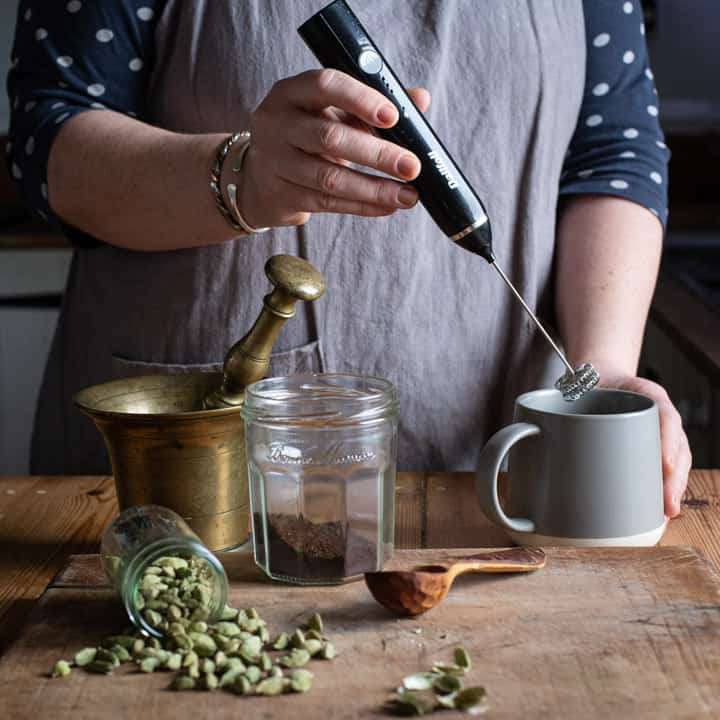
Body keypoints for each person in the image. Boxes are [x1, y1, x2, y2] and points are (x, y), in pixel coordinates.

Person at [6, 0, 690, 516]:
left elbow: (613, 154)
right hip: (189, 481)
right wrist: (237, 177)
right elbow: (47, 138)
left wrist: (608, 375)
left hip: (504, 474)